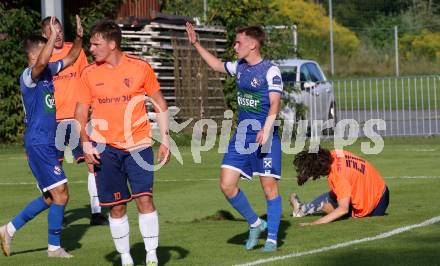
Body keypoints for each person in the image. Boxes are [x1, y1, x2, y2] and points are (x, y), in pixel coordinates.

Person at [75, 19, 170, 266]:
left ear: (112, 44)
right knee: (116, 207)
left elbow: (160, 103)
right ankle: (126, 257)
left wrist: (166, 139)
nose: (91, 49)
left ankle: (151, 255)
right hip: (104, 149)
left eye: (96, 44)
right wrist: (85, 143)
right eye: (91, 44)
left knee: (144, 199)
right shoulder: (88, 73)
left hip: (138, 145)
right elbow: (80, 113)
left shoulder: (140, 68)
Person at [186, 22, 283, 252]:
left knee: (269, 188)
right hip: (242, 136)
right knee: (226, 184)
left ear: (253, 44)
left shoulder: (270, 70)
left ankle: (272, 239)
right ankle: (255, 223)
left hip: (265, 137)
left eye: (239, 42)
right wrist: (196, 43)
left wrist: (266, 129)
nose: (235, 46)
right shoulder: (239, 67)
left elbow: (275, 104)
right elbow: (218, 66)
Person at [0, 16, 83, 258]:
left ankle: (9, 229)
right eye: (44, 49)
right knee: (62, 194)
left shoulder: (47, 71)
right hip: (39, 143)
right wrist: (50, 37)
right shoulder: (29, 76)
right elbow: (43, 61)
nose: (50, 53)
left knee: (50, 197)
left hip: (46, 142)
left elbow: (71, 58)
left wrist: (77, 38)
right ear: (34, 56)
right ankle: (54, 248)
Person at [41, 16, 108, 226]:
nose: (58, 34)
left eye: (59, 30)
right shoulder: (42, 58)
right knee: (53, 171)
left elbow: (88, 77)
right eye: (52, 31)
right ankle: (57, 214)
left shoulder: (75, 51)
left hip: (78, 118)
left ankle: (97, 213)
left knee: (93, 162)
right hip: (54, 122)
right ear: (45, 36)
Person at [290, 147, 390, 225]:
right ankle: (302, 209)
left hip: (375, 205)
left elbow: (343, 209)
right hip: (380, 188)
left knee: (327, 207)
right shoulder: (336, 153)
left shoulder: (338, 177)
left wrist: (315, 223)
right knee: (334, 195)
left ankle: (302, 210)